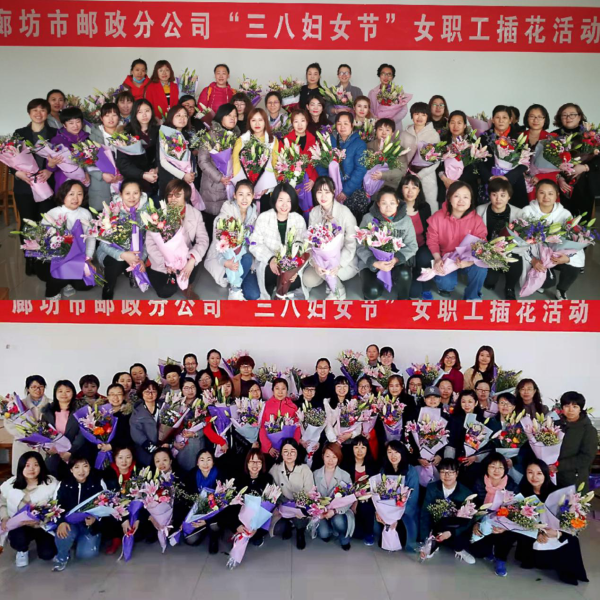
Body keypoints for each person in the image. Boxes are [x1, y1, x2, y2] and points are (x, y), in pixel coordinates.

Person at [516, 458, 589, 585]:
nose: (534, 477)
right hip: (534, 533)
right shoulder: (523, 492)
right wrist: (537, 533)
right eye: (530, 472)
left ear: (546, 474)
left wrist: (557, 533)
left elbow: (570, 520)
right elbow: (519, 520)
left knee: (571, 538)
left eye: (539, 473)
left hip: (555, 531)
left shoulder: (558, 492)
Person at [12, 98, 57, 276]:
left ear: (47, 113)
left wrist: (50, 171)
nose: (39, 114)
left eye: (42, 110)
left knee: (45, 223)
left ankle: (43, 259)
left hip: (47, 185)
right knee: (28, 223)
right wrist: (17, 173)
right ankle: (30, 259)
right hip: (25, 186)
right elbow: (9, 157)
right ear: (29, 113)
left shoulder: (55, 133)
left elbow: (62, 158)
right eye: (35, 110)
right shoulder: (19, 133)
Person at [145, 179, 209, 300]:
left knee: (193, 262)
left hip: (184, 258)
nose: (173, 198)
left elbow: (203, 240)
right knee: (165, 291)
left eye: (178, 195)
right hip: (162, 259)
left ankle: (186, 285)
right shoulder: (158, 215)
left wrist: (192, 260)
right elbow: (150, 243)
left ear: (186, 196)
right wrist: (165, 264)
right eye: (170, 195)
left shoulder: (195, 214)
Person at [520, 179, 584, 300]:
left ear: (557, 195)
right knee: (548, 282)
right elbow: (520, 240)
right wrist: (533, 260)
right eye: (542, 193)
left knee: (574, 263)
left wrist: (568, 258)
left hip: (557, 252)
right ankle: (542, 281)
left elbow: (572, 238)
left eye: (550, 193)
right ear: (536, 194)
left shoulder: (565, 214)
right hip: (536, 253)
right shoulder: (527, 211)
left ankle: (562, 290)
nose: (546, 197)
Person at [34, 181, 95, 300]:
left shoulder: (86, 213)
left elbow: (91, 238)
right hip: (53, 259)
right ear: (63, 195)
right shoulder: (53, 213)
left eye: (79, 194)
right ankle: (52, 292)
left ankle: (67, 281)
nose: (75, 198)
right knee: (61, 274)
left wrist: (88, 259)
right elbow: (42, 239)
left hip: (76, 257)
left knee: (86, 285)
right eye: (71, 194)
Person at [427, 182, 488, 299]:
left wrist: (469, 262)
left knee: (481, 267)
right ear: (449, 198)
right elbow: (432, 240)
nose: (461, 200)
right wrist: (438, 259)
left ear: (470, 200)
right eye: (456, 196)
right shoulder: (437, 217)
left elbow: (481, 244)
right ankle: (444, 288)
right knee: (446, 284)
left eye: (465, 197)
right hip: (446, 258)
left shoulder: (476, 220)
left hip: (468, 258)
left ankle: (473, 296)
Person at [302, 175, 358, 300]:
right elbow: (310, 242)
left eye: (327, 192)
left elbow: (351, 244)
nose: (323, 196)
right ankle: (328, 280)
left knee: (330, 271)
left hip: (342, 262)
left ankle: (338, 290)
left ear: (333, 192)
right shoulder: (314, 212)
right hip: (320, 261)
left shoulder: (345, 213)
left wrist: (338, 265)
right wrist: (315, 263)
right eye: (319, 192)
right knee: (308, 280)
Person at [356, 186, 418, 300]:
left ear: (397, 203)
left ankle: (403, 299)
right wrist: (374, 263)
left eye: (392, 203)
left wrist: (396, 259)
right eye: (384, 203)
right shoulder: (368, 218)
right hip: (373, 262)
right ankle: (376, 284)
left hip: (395, 262)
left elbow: (412, 245)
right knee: (372, 292)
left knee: (404, 275)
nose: (388, 207)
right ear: (378, 203)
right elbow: (359, 245)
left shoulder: (406, 220)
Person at [203, 179, 260, 300]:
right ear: (234, 195)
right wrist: (225, 262)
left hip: (245, 262)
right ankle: (234, 288)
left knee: (253, 295)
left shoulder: (254, 214)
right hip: (227, 261)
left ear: (253, 196)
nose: (244, 199)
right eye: (241, 194)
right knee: (246, 259)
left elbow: (255, 241)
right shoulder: (226, 211)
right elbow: (219, 243)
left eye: (248, 194)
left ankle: (236, 282)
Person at [249, 182, 307, 299]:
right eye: (281, 200)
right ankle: (276, 288)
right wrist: (271, 259)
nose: (284, 205)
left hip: (291, 268)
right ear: (275, 200)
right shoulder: (264, 217)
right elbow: (254, 244)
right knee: (271, 275)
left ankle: (282, 289)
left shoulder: (298, 219)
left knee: (293, 280)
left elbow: (303, 248)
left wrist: (295, 270)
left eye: (288, 201)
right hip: (270, 266)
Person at [0, 451, 59, 567]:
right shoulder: (10, 484)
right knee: (18, 539)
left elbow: (56, 506)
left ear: (41, 466)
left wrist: (41, 521)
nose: (31, 469)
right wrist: (4, 518)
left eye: (36, 465)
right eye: (27, 465)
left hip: (42, 525)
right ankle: (22, 550)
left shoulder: (51, 483)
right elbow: (2, 502)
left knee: (47, 554)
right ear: (21, 467)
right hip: (19, 525)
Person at [95, 179, 148, 300]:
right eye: (127, 193)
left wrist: (141, 258)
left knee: (142, 272)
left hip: (136, 252)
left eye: (135, 193)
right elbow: (103, 244)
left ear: (140, 193)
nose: (132, 197)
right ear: (121, 194)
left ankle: (129, 270)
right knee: (115, 264)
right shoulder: (111, 211)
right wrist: (123, 255)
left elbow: (149, 240)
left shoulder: (147, 211)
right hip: (111, 252)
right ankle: (108, 286)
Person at [52, 455, 107, 571]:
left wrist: (95, 518)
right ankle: (62, 556)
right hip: (70, 523)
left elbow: (105, 505)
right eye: (76, 467)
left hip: (89, 525)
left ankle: (79, 542)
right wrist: (61, 522)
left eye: (85, 466)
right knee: (64, 533)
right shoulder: (64, 484)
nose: (81, 471)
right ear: (71, 469)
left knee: (86, 554)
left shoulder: (98, 482)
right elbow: (55, 506)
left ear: (90, 467)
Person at [470, 452, 519, 576]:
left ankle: (501, 559)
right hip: (483, 518)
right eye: (492, 466)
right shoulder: (479, 482)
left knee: (507, 535)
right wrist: (476, 523)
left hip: (504, 521)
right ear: (486, 467)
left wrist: (505, 526)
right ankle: (488, 550)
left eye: (500, 467)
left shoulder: (511, 484)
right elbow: (472, 506)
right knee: (477, 552)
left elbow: (516, 509)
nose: (496, 470)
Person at [419, 458, 476, 564]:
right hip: (436, 525)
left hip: (454, 529)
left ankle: (459, 549)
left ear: (457, 473)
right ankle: (433, 543)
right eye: (443, 472)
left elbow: (468, 521)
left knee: (465, 527)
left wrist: (451, 532)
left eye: (451, 472)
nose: (447, 475)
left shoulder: (466, 493)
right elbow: (425, 513)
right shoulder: (432, 488)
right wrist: (425, 541)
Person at [197, 103, 241, 236]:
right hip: (214, 188)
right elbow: (203, 161)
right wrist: (219, 177)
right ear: (221, 117)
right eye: (229, 115)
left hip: (232, 185)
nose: (233, 118)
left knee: (230, 230)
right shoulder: (210, 136)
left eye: (235, 115)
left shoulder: (238, 138)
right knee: (213, 228)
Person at [476, 178, 523, 299]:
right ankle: (496, 273)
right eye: (494, 195)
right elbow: (476, 235)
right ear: (489, 195)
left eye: (503, 195)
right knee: (489, 282)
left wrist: (507, 249)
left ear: (509, 197)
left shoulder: (518, 213)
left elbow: (522, 239)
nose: (498, 199)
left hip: (510, 250)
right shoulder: (480, 210)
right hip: (489, 250)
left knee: (516, 264)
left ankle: (509, 288)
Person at [316, 111, 368, 222]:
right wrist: (329, 185)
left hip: (351, 190)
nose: (342, 126)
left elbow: (360, 169)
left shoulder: (360, 144)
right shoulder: (329, 141)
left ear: (352, 126)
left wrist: (346, 191)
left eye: (346, 123)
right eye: (339, 123)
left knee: (348, 221)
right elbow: (320, 164)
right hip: (331, 188)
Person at [552, 102, 599, 217]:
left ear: (579, 117)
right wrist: (559, 177)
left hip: (585, 183)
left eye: (572, 114)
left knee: (583, 219)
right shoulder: (553, 136)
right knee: (561, 218)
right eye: (564, 115)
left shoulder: (591, 135)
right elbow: (548, 161)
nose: (568, 118)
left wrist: (584, 167)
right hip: (560, 184)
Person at [374, 440, 420, 552]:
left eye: (396, 452)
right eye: (389, 452)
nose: (393, 456)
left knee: (403, 537)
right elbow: (378, 494)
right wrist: (380, 512)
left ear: (402, 453)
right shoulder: (383, 470)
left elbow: (413, 498)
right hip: (387, 512)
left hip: (405, 511)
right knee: (378, 529)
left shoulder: (411, 471)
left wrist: (395, 517)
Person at [480, 105, 528, 208]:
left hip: (514, 183)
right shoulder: (484, 137)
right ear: (493, 120)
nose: (501, 120)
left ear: (510, 120)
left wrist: (507, 177)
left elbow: (524, 163)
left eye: (504, 117)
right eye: (497, 117)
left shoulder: (518, 138)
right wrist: (490, 177)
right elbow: (478, 161)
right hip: (490, 183)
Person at [232, 107, 280, 212]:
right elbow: (236, 164)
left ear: (265, 122)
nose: (257, 124)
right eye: (253, 120)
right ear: (249, 122)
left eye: (260, 120)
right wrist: (243, 186)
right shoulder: (242, 140)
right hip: (245, 191)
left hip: (265, 189)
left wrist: (268, 186)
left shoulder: (272, 141)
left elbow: (275, 164)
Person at [269, 438, 314, 549]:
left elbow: (309, 491)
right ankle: (288, 525)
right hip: (283, 505)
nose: (289, 454)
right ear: (281, 453)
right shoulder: (275, 468)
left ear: (297, 452)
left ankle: (300, 532)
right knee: (278, 528)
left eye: (292, 451)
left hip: (300, 505)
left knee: (300, 517)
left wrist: (299, 503)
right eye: (285, 451)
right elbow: (271, 489)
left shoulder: (304, 469)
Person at [226, 449, 274, 549]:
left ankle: (256, 534)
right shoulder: (238, 478)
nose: (255, 465)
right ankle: (240, 531)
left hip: (258, 520)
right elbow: (231, 504)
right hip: (240, 517)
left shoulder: (267, 479)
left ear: (262, 464)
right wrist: (237, 525)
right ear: (247, 463)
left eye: (258, 462)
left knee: (257, 538)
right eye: (252, 461)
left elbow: (269, 505)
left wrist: (256, 526)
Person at [3, 375, 51, 474]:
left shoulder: (52, 404)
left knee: (43, 474)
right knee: (23, 474)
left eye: (41, 386)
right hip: (23, 445)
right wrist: (26, 435)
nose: (38, 390)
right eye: (34, 387)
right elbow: (9, 423)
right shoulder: (17, 405)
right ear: (28, 389)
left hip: (44, 445)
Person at [40, 380, 86, 480]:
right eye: (60, 391)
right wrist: (48, 449)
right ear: (55, 393)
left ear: (73, 393)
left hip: (75, 453)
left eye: (67, 391)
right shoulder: (47, 411)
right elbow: (43, 432)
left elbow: (83, 432)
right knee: (52, 480)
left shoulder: (81, 410)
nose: (64, 394)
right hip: (54, 454)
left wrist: (71, 451)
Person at [399, 102, 441, 213]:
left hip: (427, 177)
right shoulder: (404, 134)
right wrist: (405, 171)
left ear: (427, 117)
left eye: (423, 114)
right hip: (408, 177)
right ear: (412, 115)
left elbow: (436, 160)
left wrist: (421, 174)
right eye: (416, 114)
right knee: (408, 207)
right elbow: (400, 156)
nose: (420, 117)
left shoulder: (433, 135)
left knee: (430, 207)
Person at [180, 449, 222, 553]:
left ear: (213, 462)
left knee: (214, 525)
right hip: (197, 514)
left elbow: (223, 503)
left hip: (214, 514)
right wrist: (185, 520)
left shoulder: (220, 475)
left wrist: (207, 521)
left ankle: (213, 537)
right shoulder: (192, 475)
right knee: (191, 540)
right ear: (197, 463)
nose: (205, 464)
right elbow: (186, 499)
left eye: (209, 460)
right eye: (202, 460)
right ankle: (203, 531)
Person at [313, 443, 354, 551]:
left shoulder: (345, 475)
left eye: (334, 457)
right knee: (324, 534)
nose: (330, 460)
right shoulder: (315, 474)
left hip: (339, 512)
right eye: (327, 456)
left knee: (338, 521)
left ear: (338, 458)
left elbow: (350, 499)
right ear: (323, 456)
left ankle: (343, 536)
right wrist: (318, 510)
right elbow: (312, 496)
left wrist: (335, 511)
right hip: (322, 512)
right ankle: (330, 529)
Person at [554, 392, 598, 492]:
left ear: (580, 409)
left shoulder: (588, 430)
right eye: (567, 406)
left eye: (575, 406)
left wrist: (558, 466)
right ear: (562, 408)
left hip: (574, 478)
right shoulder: (555, 425)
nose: (570, 410)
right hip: (553, 477)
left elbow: (586, 457)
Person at [116, 98, 159, 198]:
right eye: (140, 112)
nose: (144, 115)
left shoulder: (160, 131)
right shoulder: (126, 133)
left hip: (157, 181)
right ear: (134, 114)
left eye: (147, 111)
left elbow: (163, 156)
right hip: (134, 184)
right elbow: (123, 164)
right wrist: (143, 174)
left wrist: (156, 169)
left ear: (152, 112)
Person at [400, 175, 434, 300]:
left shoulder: (425, 207)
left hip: (420, 247)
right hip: (403, 249)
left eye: (414, 188)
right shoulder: (396, 207)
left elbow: (429, 231)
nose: (410, 191)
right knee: (413, 293)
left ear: (419, 190)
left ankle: (426, 287)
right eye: (406, 187)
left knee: (425, 257)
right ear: (401, 189)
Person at [437, 110, 481, 206]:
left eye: (459, 123)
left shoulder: (472, 143)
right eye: (452, 122)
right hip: (445, 186)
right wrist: (445, 179)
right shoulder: (442, 142)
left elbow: (475, 168)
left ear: (465, 125)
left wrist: (456, 183)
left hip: (466, 188)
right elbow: (436, 165)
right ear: (448, 124)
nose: (455, 126)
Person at [341, 436, 378, 545]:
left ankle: (369, 533)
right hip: (350, 499)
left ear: (367, 449)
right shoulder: (346, 465)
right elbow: (344, 486)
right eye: (356, 447)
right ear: (352, 448)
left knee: (366, 506)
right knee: (357, 534)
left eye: (363, 447)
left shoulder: (373, 466)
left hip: (367, 500)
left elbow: (375, 488)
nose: (359, 451)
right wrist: (354, 500)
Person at [87, 102, 123, 211]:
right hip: (101, 184)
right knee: (101, 217)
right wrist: (101, 175)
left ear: (119, 117)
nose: (111, 118)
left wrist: (122, 173)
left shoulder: (125, 135)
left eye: (114, 115)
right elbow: (86, 162)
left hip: (122, 183)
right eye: (107, 115)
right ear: (101, 118)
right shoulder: (93, 138)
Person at [48, 106, 90, 192]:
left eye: (78, 122)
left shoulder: (87, 138)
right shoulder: (57, 140)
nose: (75, 126)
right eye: (71, 123)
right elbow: (51, 167)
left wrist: (87, 172)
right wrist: (51, 164)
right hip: (65, 182)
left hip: (84, 182)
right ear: (64, 125)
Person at [157, 104, 195, 199]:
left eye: (185, 115)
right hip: (170, 181)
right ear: (171, 117)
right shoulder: (165, 135)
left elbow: (190, 158)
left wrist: (192, 173)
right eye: (178, 115)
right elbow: (163, 162)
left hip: (185, 180)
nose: (182, 118)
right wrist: (183, 175)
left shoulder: (186, 135)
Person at [259, 378, 301, 459]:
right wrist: (268, 447)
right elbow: (262, 427)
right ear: (272, 390)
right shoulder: (266, 405)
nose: (280, 392)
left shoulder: (293, 407)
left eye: (283, 389)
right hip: (270, 451)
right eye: (277, 388)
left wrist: (293, 446)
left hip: (288, 451)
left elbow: (297, 428)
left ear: (287, 391)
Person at [368, 63, 411, 131]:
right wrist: (377, 119)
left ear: (392, 77)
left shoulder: (398, 91)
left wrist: (393, 120)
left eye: (389, 74)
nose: (386, 77)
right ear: (379, 75)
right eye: (383, 74)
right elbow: (370, 110)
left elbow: (404, 110)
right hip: (378, 125)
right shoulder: (372, 92)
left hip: (394, 126)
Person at [129, 380, 162, 467]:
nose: (150, 395)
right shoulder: (137, 411)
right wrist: (151, 447)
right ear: (142, 393)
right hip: (144, 450)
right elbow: (136, 433)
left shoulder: (164, 407)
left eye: (153, 391)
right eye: (147, 392)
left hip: (164, 449)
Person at [366, 118, 406, 189]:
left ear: (392, 133)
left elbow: (402, 171)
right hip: (370, 183)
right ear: (375, 131)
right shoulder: (368, 146)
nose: (384, 133)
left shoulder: (399, 149)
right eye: (380, 129)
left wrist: (383, 175)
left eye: (387, 130)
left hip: (390, 186)